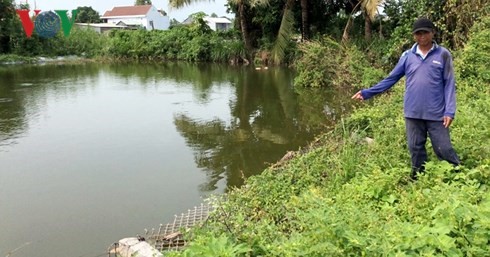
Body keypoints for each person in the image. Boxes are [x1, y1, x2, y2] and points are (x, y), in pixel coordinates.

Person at [351, 17, 460, 179]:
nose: (421, 36)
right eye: (418, 33)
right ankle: (417, 178)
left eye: (425, 32)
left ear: (433, 33)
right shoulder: (408, 56)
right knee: (415, 148)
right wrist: (367, 93)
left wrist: (449, 111)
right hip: (413, 112)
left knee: (443, 148)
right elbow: (391, 78)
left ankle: (458, 175)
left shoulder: (443, 55)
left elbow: (449, 83)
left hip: (437, 113)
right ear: (413, 35)